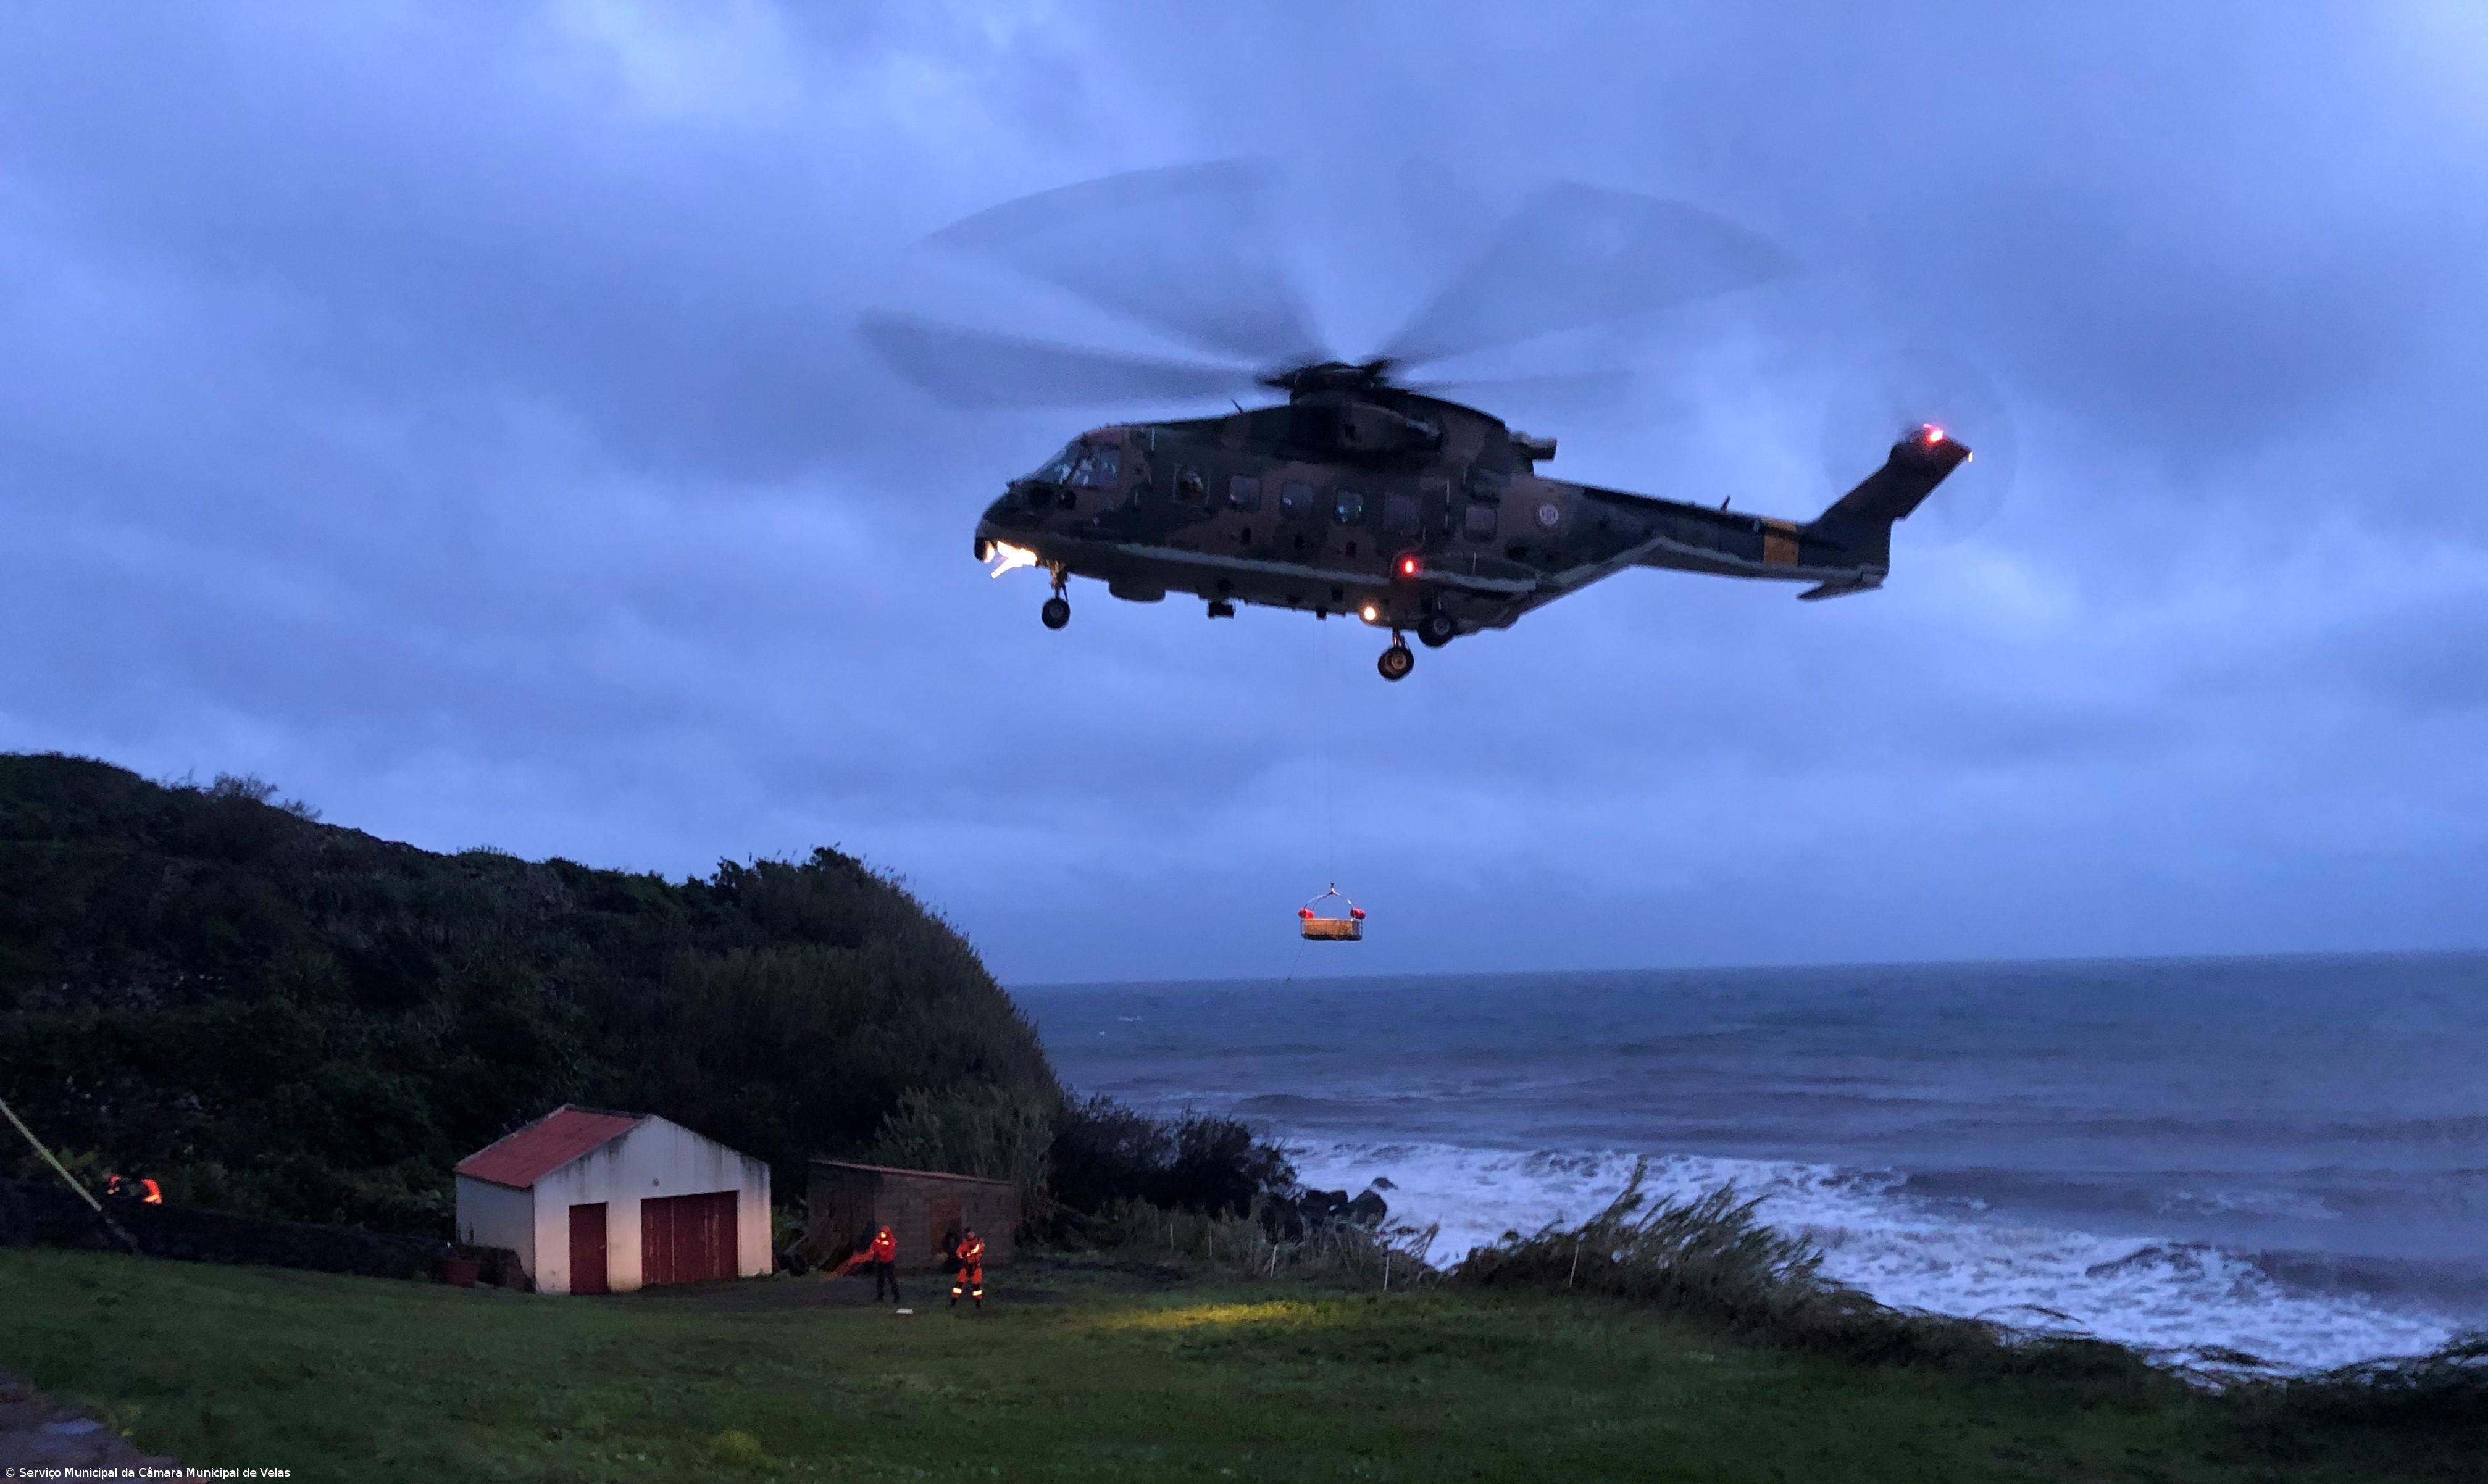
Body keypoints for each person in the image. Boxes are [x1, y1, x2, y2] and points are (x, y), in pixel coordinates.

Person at [949, 1227, 985, 1311]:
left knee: (977, 1286)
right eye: (969, 1233)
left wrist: (969, 1252)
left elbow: (979, 1249)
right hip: (966, 1267)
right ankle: (953, 1302)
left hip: (976, 1267)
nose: (971, 1234)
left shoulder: (979, 1241)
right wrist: (963, 1255)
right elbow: (959, 1253)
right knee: (958, 1285)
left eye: (972, 1232)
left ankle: (978, 1304)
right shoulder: (963, 1243)